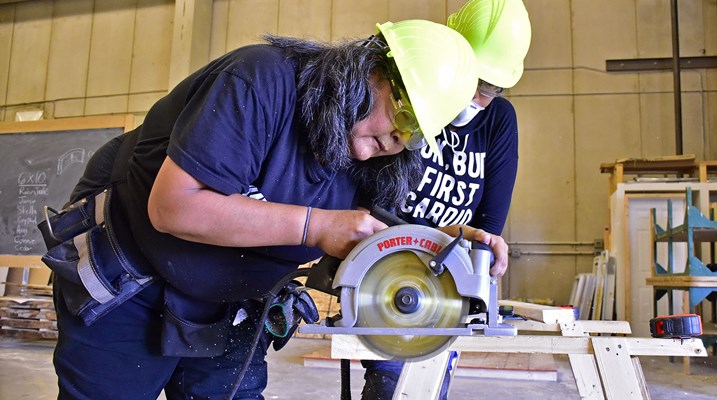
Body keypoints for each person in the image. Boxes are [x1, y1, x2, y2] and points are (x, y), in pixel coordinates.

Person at [41, 19, 480, 400]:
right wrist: (315, 226)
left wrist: (448, 245)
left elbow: (375, 238)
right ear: (370, 71)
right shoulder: (260, 81)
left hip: (231, 302)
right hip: (133, 275)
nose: (393, 143)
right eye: (401, 117)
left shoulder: (381, 161)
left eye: (414, 136)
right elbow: (173, 208)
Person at [359, 1, 532, 399]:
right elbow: (371, 201)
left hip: (448, 276)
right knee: (391, 381)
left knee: (430, 382)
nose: (473, 96)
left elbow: (488, 223)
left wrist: (481, 250)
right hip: (390, 266)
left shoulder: (499, 120)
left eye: (486, 90)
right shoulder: (413, 98)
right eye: (471, 80)